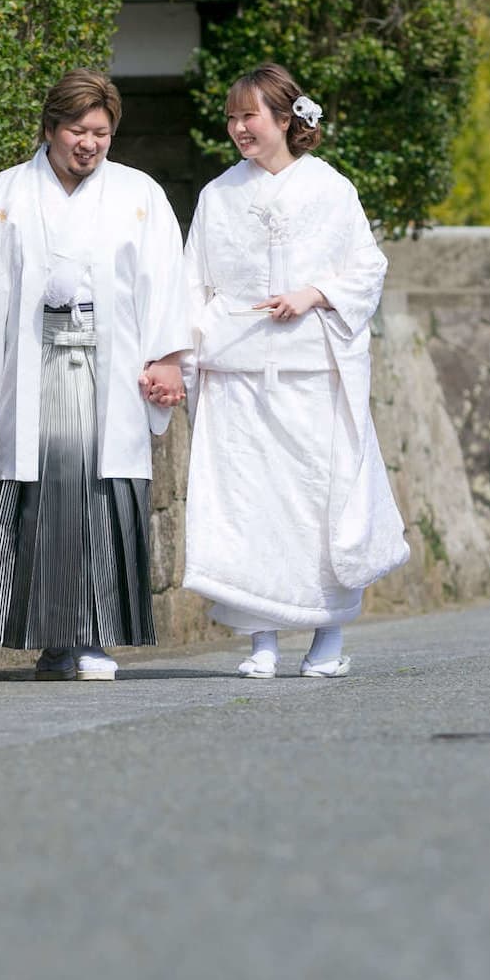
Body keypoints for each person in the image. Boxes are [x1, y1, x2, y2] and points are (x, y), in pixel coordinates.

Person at [0, 69, 190, 681]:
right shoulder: (6, 192)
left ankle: (93, 636)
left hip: (110, 363)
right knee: (43, 496)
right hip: (33, 361)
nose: (89, 143)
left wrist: (167, 357)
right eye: (78, 130)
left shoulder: (139, 194)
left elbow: (164, 284)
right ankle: (50, 637)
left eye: (102, 132)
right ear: (49, 129)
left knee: (102, 492)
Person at [181, 62, 409, 677]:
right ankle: (260, 639)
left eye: (249, 115)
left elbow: (367, 267)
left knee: (317, 501)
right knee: (249, 503)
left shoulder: (331, 189)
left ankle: (328, 637)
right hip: (239, 373)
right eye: (231, 117)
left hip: (312, 371)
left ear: (285, 119)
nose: (237, 128)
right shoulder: (218, 194)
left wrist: (313, 293)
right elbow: (192, 284)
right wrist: (183, 354)